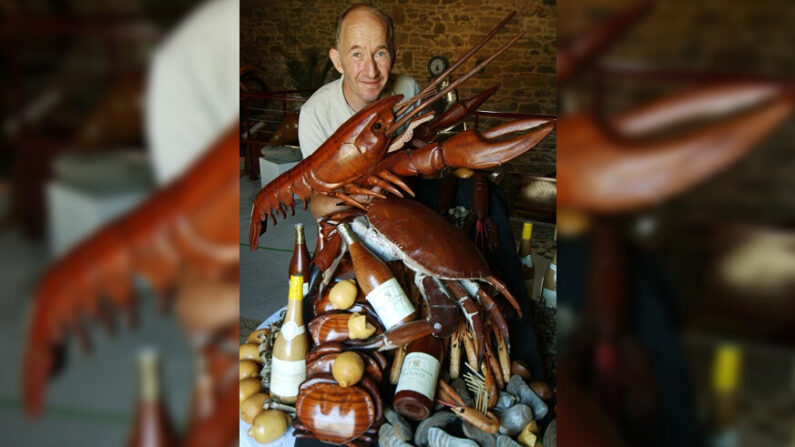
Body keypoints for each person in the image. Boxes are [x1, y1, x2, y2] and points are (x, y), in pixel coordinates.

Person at [298, 3, 419, 219]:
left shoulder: (409, 89)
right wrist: (363, 198)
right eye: (356, 54)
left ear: (394, 55)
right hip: (348, 221)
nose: (371, 71)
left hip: (403, 207)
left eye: (380, 53)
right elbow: (318, 204)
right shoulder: (314, 114)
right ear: (338, 61)